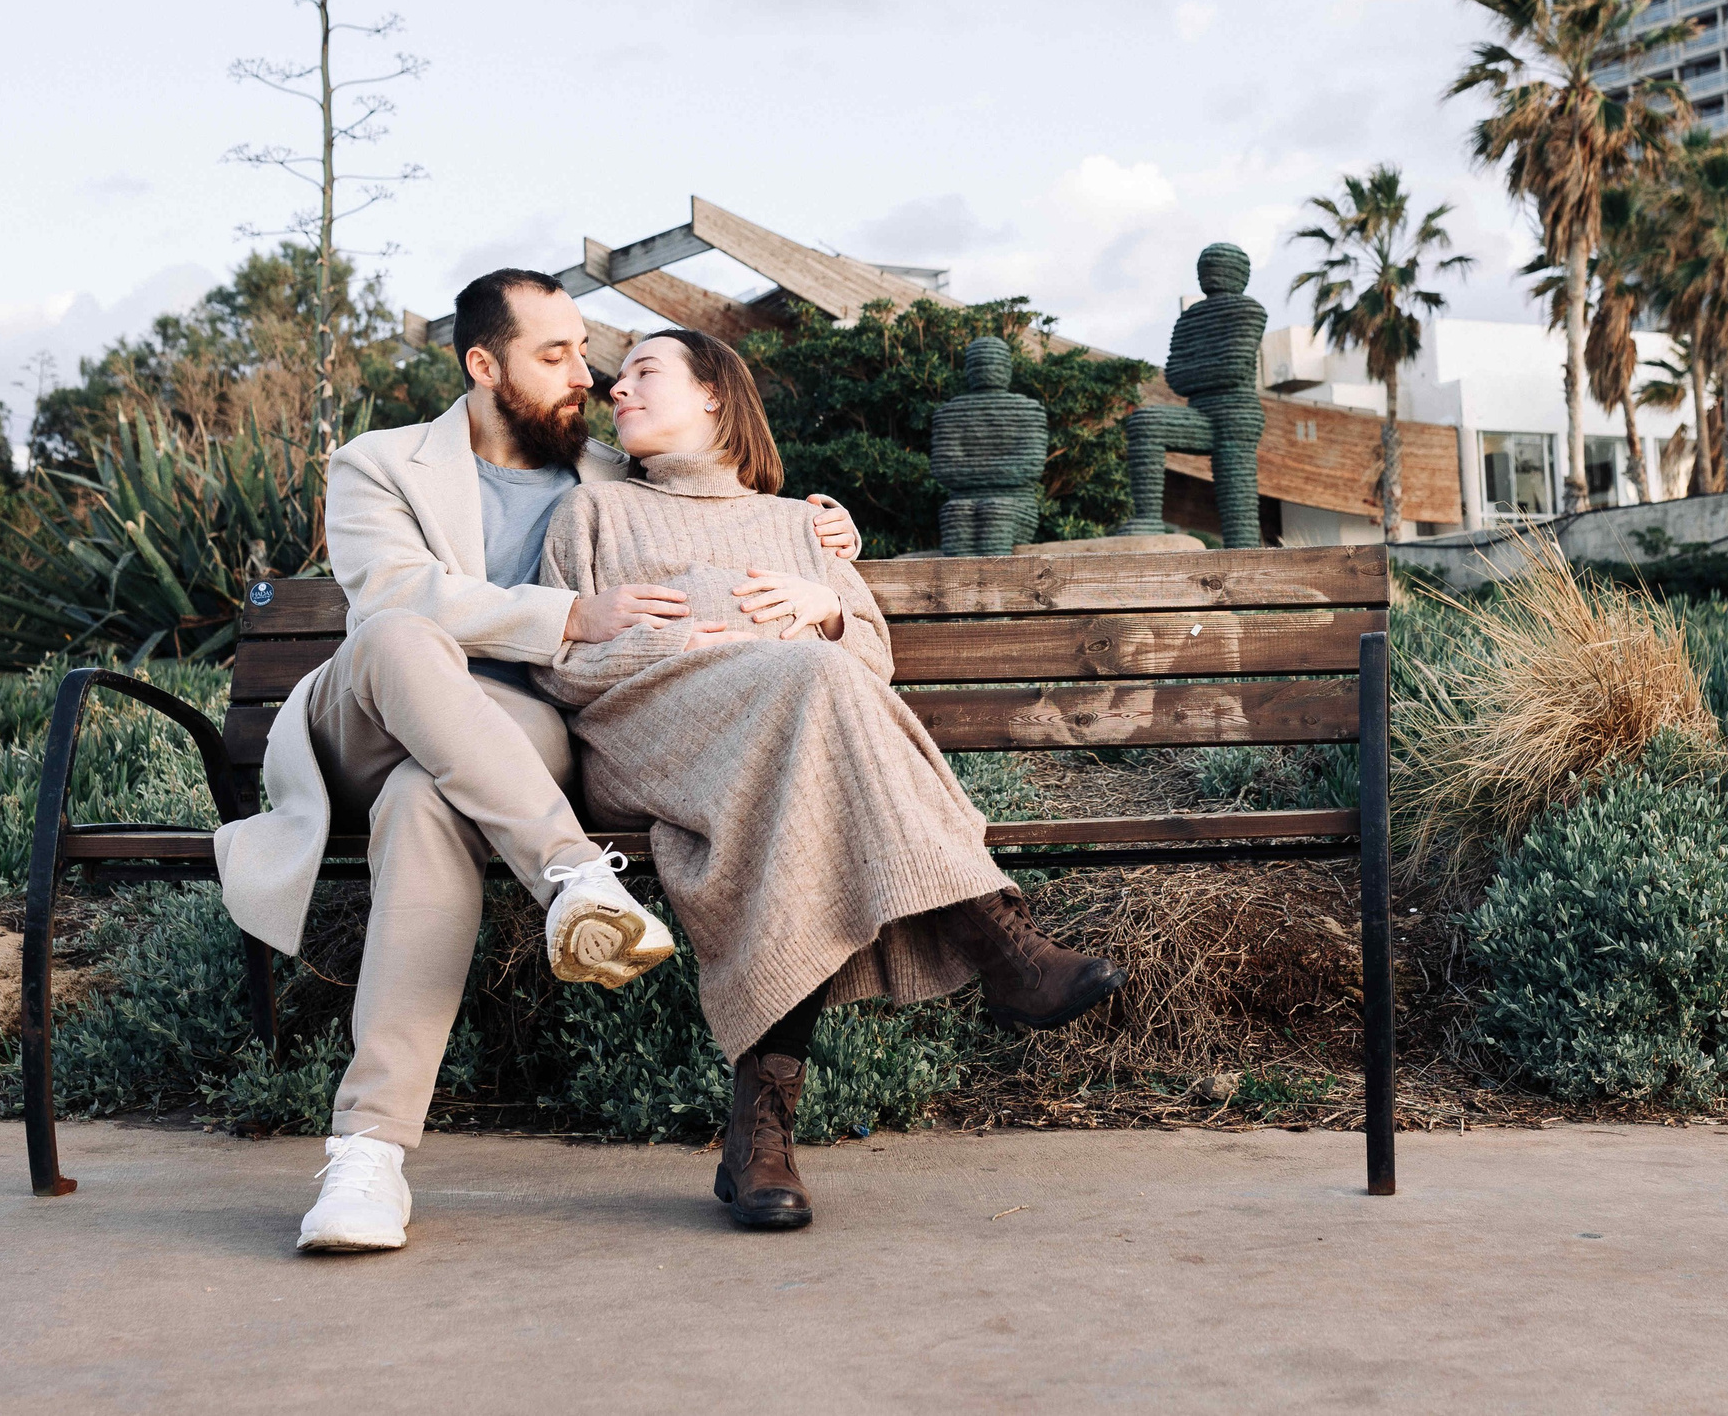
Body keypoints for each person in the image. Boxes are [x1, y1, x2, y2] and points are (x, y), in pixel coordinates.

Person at [209, 269, 862, 1254]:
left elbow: (721, 514)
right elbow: (394, 591)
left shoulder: (611, 474)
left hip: (516, 741)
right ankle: (571, 877)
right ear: (483, 364)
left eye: (587, 353)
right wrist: (567, 614)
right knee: (396, 634)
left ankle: (367, 1157)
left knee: (429, 803)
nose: (588, 378)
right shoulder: (381, 463)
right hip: (371, 712)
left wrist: (830, 541)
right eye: (554, 355)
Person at [532, 328, 1127, 1231]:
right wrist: (691, 641)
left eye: (646, 371)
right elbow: (563, 666)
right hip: (648, 735)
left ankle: (761, 1135)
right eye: (617, 379)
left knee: (805, 766)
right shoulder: (594, 516)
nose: (619, 389)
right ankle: (1000, 943)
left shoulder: (798, 524)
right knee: (810, 687)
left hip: (783, 745)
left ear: (715, 397)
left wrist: (829, 606)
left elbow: (871, 665)